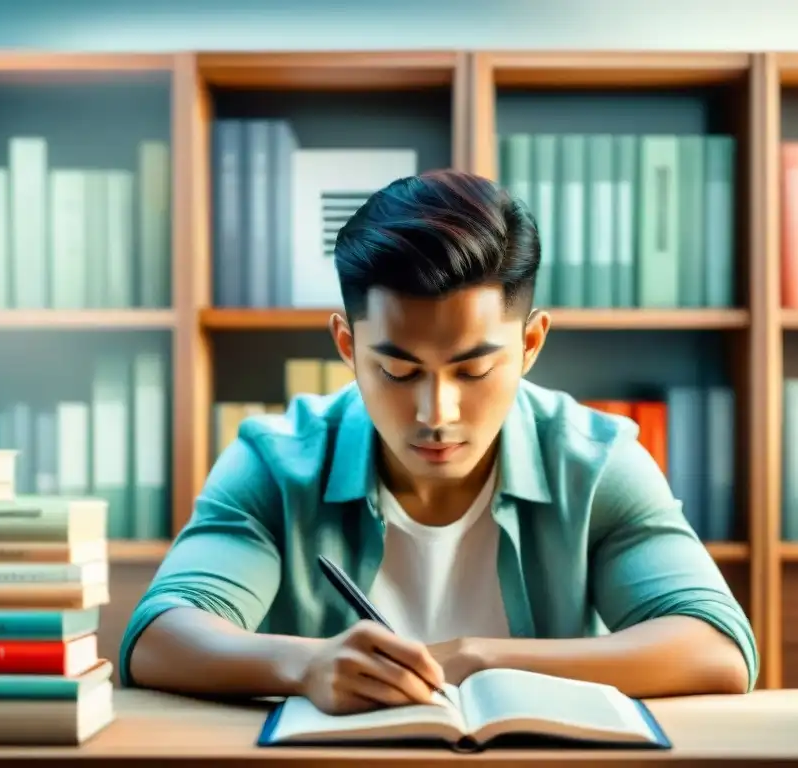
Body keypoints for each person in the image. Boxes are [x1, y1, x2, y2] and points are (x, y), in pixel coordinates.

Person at [119, 169, 758, 715]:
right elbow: (158, 634)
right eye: (398, 372)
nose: (436, 413)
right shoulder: (276, 460)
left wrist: (479, 658)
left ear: (530, 343)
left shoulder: (596, 461)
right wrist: (306, 666)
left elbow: (716, 647)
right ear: (347, 345)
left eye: (473, 370)